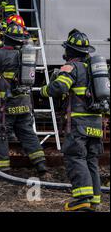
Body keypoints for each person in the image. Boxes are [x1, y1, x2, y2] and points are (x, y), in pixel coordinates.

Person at [40, 29, 105, 212]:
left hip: (78, 123)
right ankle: (94, 200)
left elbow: (59, 87)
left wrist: (44, 90)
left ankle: (82, 198)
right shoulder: (93, 70)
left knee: (75, 157)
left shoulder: (72, 67)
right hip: (95, 123)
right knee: (91, 160)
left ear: (70, 51)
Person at [0, 24, 47, 173]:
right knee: (26, 131)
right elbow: (4, 48)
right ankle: (40, 162)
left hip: (4, 105)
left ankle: (2, 168)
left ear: (7, 38)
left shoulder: (1, 54)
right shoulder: (23, 54)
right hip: (23, 102)